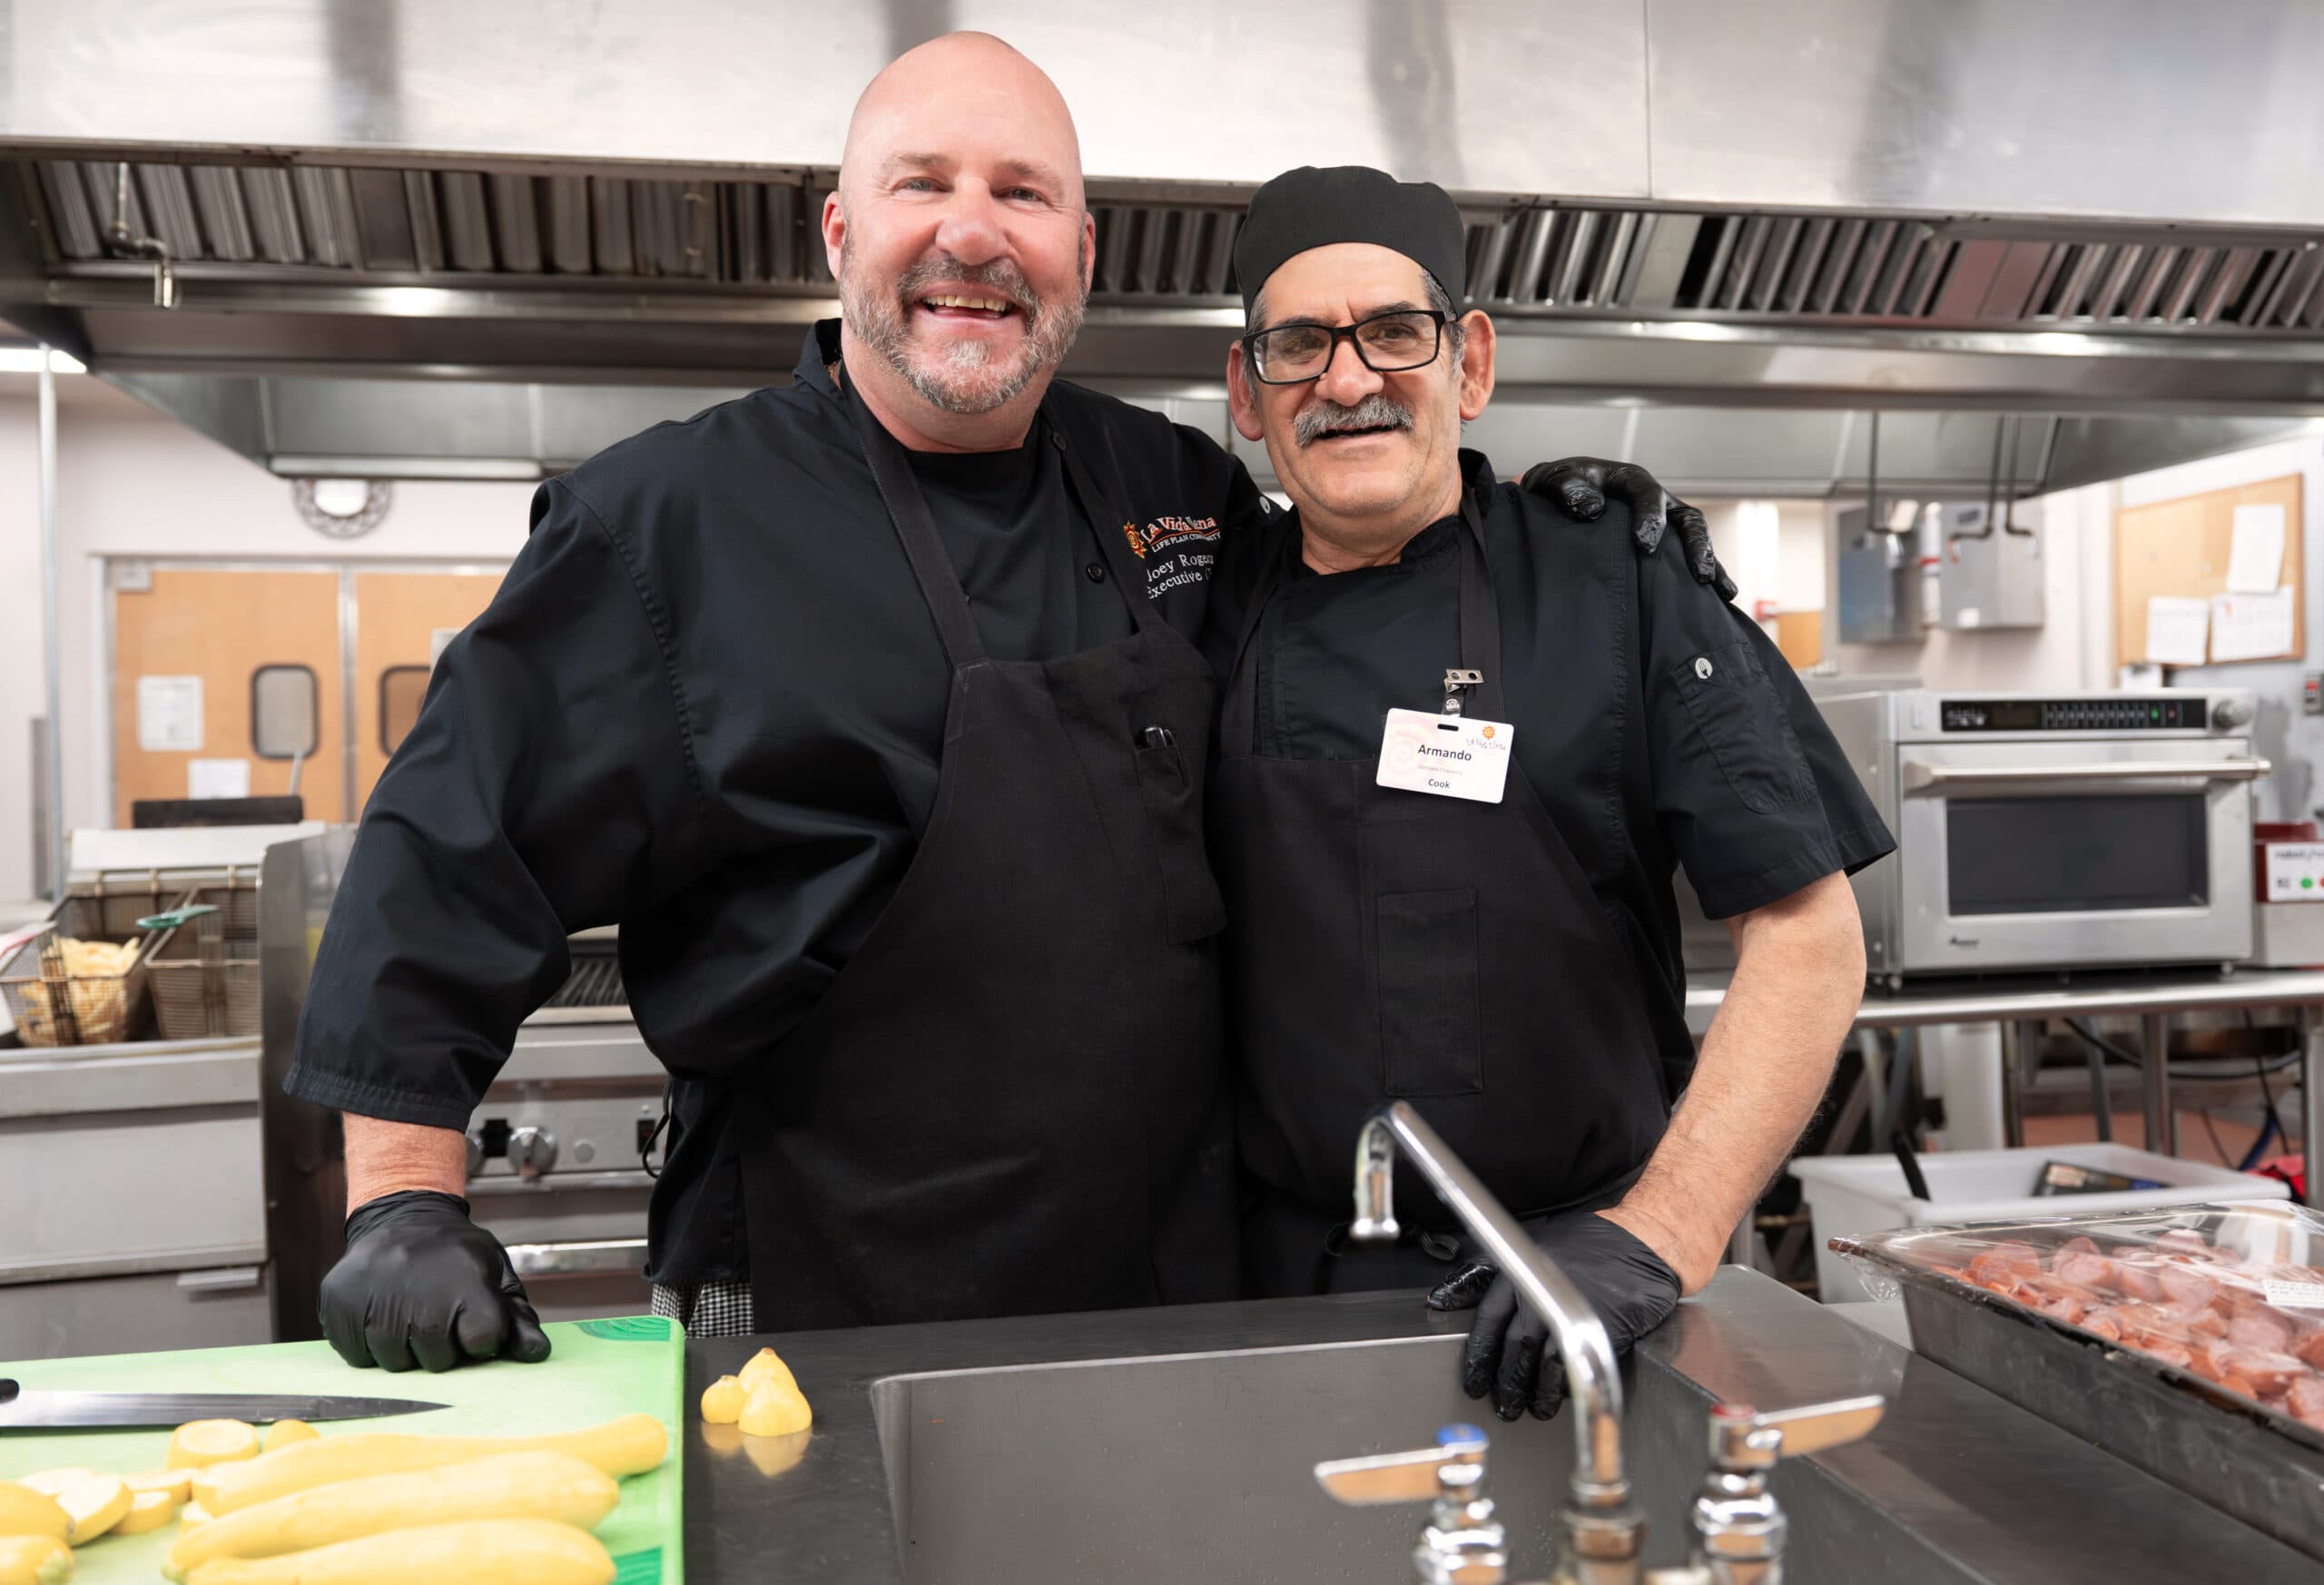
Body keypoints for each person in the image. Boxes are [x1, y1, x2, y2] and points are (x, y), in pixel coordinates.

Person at [285, 36, 1723, 1370]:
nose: (972, 233)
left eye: (1022, 193)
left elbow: (1357, 580)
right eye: (924, 183)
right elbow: (448, 851)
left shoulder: (1169, 489)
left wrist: (1535, 528)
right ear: (842, 234)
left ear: (1079, 254)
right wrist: (400, 1201)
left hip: (1171, 1297)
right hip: (826, 1300)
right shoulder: (670, 525)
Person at [1206, 166, 1894, 1422]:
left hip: (1583, 1292)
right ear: (1248, 395)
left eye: (1394, 333)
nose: (1348, 380)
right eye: (1299, 345)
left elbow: (1808, 936)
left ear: (1469, 363)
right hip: (1279, 1301)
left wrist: (1657, 1237)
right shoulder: (1198, 605)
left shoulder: (1617, 581)